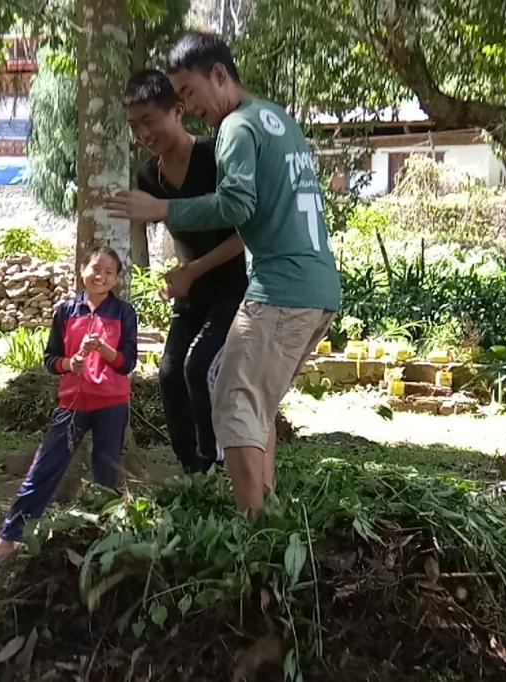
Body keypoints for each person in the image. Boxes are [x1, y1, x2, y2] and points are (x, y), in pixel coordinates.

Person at [105, 32, 341, 514]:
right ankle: (267, 517)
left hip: (280, 290)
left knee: (232, 403)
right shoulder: (279, 119)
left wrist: (163, 209)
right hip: (317, 288)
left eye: (189, 93)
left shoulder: (235, 129)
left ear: (218, 74)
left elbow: (236, 204)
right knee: (255, 408)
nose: (190, 108)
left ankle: (251, 529)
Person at [0, 246, 138, 567]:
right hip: (72, 405)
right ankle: (8, 538)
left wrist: (103, 349)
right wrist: (70, 363)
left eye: (109, 272)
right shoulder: (67, 310)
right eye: (95, 268)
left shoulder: (123, 313)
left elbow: (127, 363)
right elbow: (51, 360)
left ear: (116, 279)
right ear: (82, 269)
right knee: (44, 469)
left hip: (112, 405)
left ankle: (103, 541)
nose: (100, 276)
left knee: (107, 473)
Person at [125, 68, 247, 474]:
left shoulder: (215, 156)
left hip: (232, 289)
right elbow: (180, 231)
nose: (142, 133)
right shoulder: (148, 176)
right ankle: (192, 472)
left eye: (149, 120)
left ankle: (218, 466)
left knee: (200, 368)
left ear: (178, 111)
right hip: (192, 294)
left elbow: (246, 233)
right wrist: (182, 270)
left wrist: (193, 270)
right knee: (170, 373)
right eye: (133, 125)